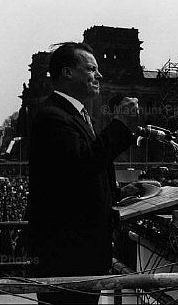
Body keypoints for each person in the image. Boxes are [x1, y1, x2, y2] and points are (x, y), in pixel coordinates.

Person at [24, 42, 138, 304]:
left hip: (80, 253)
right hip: (67, 255)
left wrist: (119, 192)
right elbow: (86, 163)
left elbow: (74, 181)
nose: (99, 76)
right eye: (91, 69)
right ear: (67, 73)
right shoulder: (53, 117)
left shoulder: (75, 115)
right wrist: (120, 125)